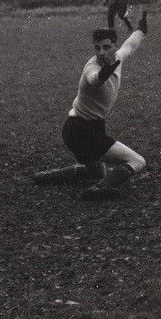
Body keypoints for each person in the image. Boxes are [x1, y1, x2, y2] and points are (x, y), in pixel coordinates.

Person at [32, 11, 150, 200]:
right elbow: (94, 80)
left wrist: (141, 30)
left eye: (106, 47)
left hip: (75, 130)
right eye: (97, 48)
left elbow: (130, 45)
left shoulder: (118, 56)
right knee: (137, 161)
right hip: (84, 132)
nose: (101, 52)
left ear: (114, 46)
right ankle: (96, 192)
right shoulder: (93, 67)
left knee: (99, 173)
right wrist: (105, 71)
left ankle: (49, 176)